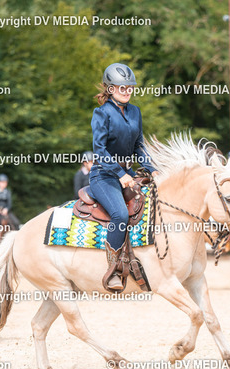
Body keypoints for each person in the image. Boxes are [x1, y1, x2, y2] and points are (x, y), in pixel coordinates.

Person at [89, 63, 158, 291]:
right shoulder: (101, 113)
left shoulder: (135, 111)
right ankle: (114, 270)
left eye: (130, 87)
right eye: (122, 87)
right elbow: (99, 151)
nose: (127, 91)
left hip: (128, 173)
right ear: (110, 89)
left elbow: (139, 146)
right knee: (119, 214)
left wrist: (151, 168)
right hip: (104, 175)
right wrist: (119, 174)